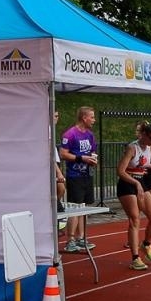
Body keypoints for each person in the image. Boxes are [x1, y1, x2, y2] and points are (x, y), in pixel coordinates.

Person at [116, 122, 151, 271]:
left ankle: (145, 243)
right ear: (143, 135)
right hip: (127, 183)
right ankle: (135, 258)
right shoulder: (132, 148)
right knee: (135, 219)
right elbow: (120, 171)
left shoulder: (149, 148)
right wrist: (135, 184)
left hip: (140, 182)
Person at [59, 105, 99, 253]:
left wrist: (93, 159)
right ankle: (70, 240)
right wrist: (81, 158)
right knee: (75, 207)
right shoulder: (70, 134)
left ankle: (81, 238)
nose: (94, 120)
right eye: (92, 117)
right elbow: (63, 154)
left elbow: (93, 151)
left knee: (83, 208)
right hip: (74, 176)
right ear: (84, 117)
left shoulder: (90, 135)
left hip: (87, 175)